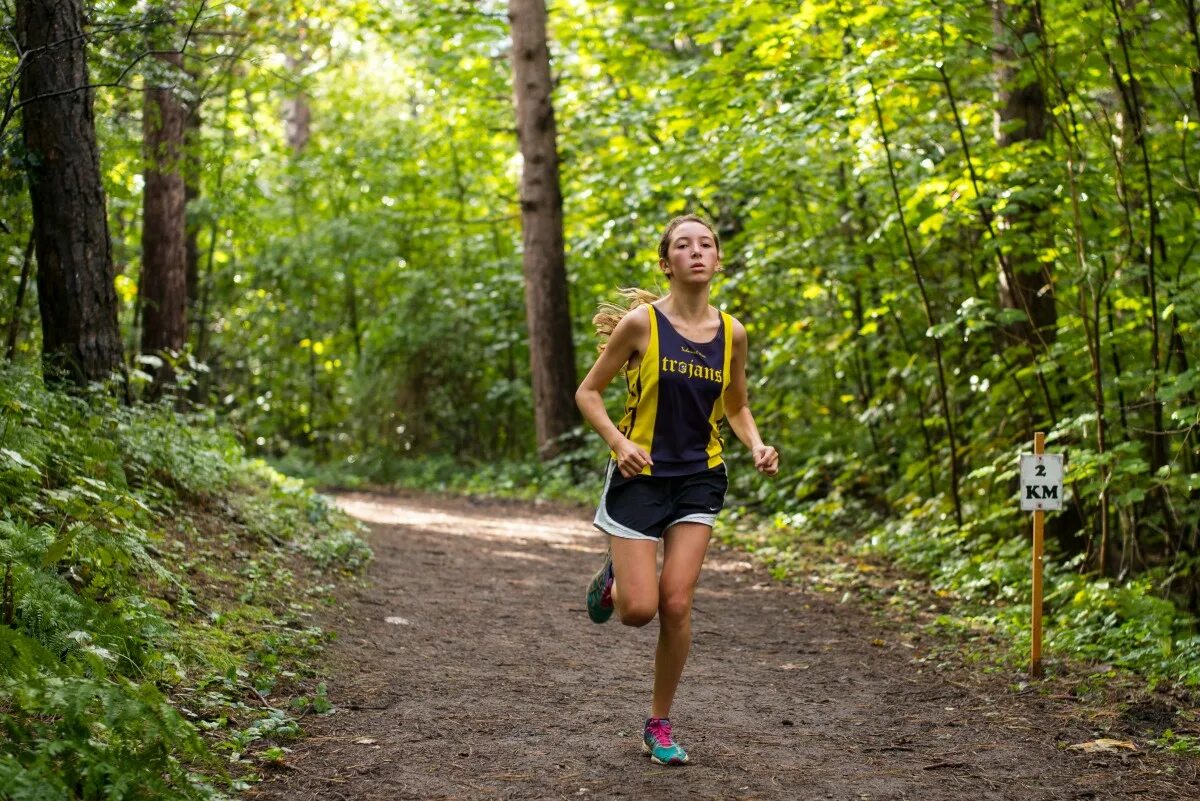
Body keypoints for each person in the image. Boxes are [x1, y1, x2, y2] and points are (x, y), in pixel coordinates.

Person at [574, 213, 779, 767]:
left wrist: (757, 444)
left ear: (717, 260)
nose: (696, 252)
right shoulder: (642, 324)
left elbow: (735, 405)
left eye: (706, 244)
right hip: (640, 477)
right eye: (683, 246)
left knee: (677, 602)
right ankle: (616, 574)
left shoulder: (732, 332)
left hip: (699, 477)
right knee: (639, 611)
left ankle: (659, 722)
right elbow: (588, 393)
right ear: (666, 264)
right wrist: (619, 443)